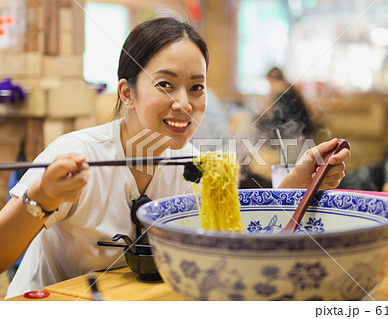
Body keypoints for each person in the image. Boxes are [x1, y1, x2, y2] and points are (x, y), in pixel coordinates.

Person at [0, 17, 350, 298]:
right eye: (165, 84)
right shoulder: (77, 153)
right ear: (128, 93)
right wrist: (43, 197)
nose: (185, 103)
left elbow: (233, 238)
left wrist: (297, 185)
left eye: (196, 87)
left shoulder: (194, 164)